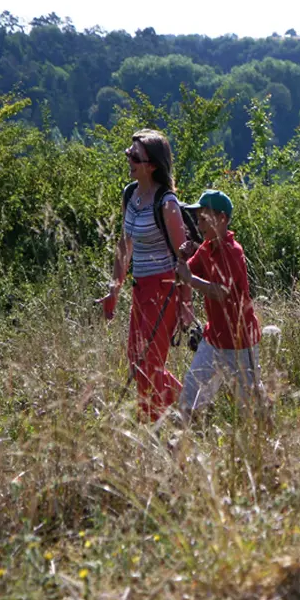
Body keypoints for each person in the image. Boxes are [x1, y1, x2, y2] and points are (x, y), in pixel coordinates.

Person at [98, 129, 191, 421]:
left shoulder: (167, 203)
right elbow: (124, 246)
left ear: (151, 165)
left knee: (149, 363)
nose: (129, 159)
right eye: (129, 153)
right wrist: (114, 290)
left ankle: (164, 422)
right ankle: (187, 407)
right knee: (137, 362)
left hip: (165, 290)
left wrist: (186, 304)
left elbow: (184, 257)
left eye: (135, 157)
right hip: (140, 289)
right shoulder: (130, 194)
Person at [177, 190, 265, 422]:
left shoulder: (233, 251)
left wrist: (190, 279)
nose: (199, 225)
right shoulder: (206, 248)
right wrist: (182, 257)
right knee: (190, 395)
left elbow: (221, 291)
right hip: (213, 339)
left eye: (204, 219)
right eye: (198, 219)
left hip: (241, 343)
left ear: (222, 219)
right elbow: (184, 272)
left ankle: (268, 438)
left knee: (251, 408)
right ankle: (185, 438)